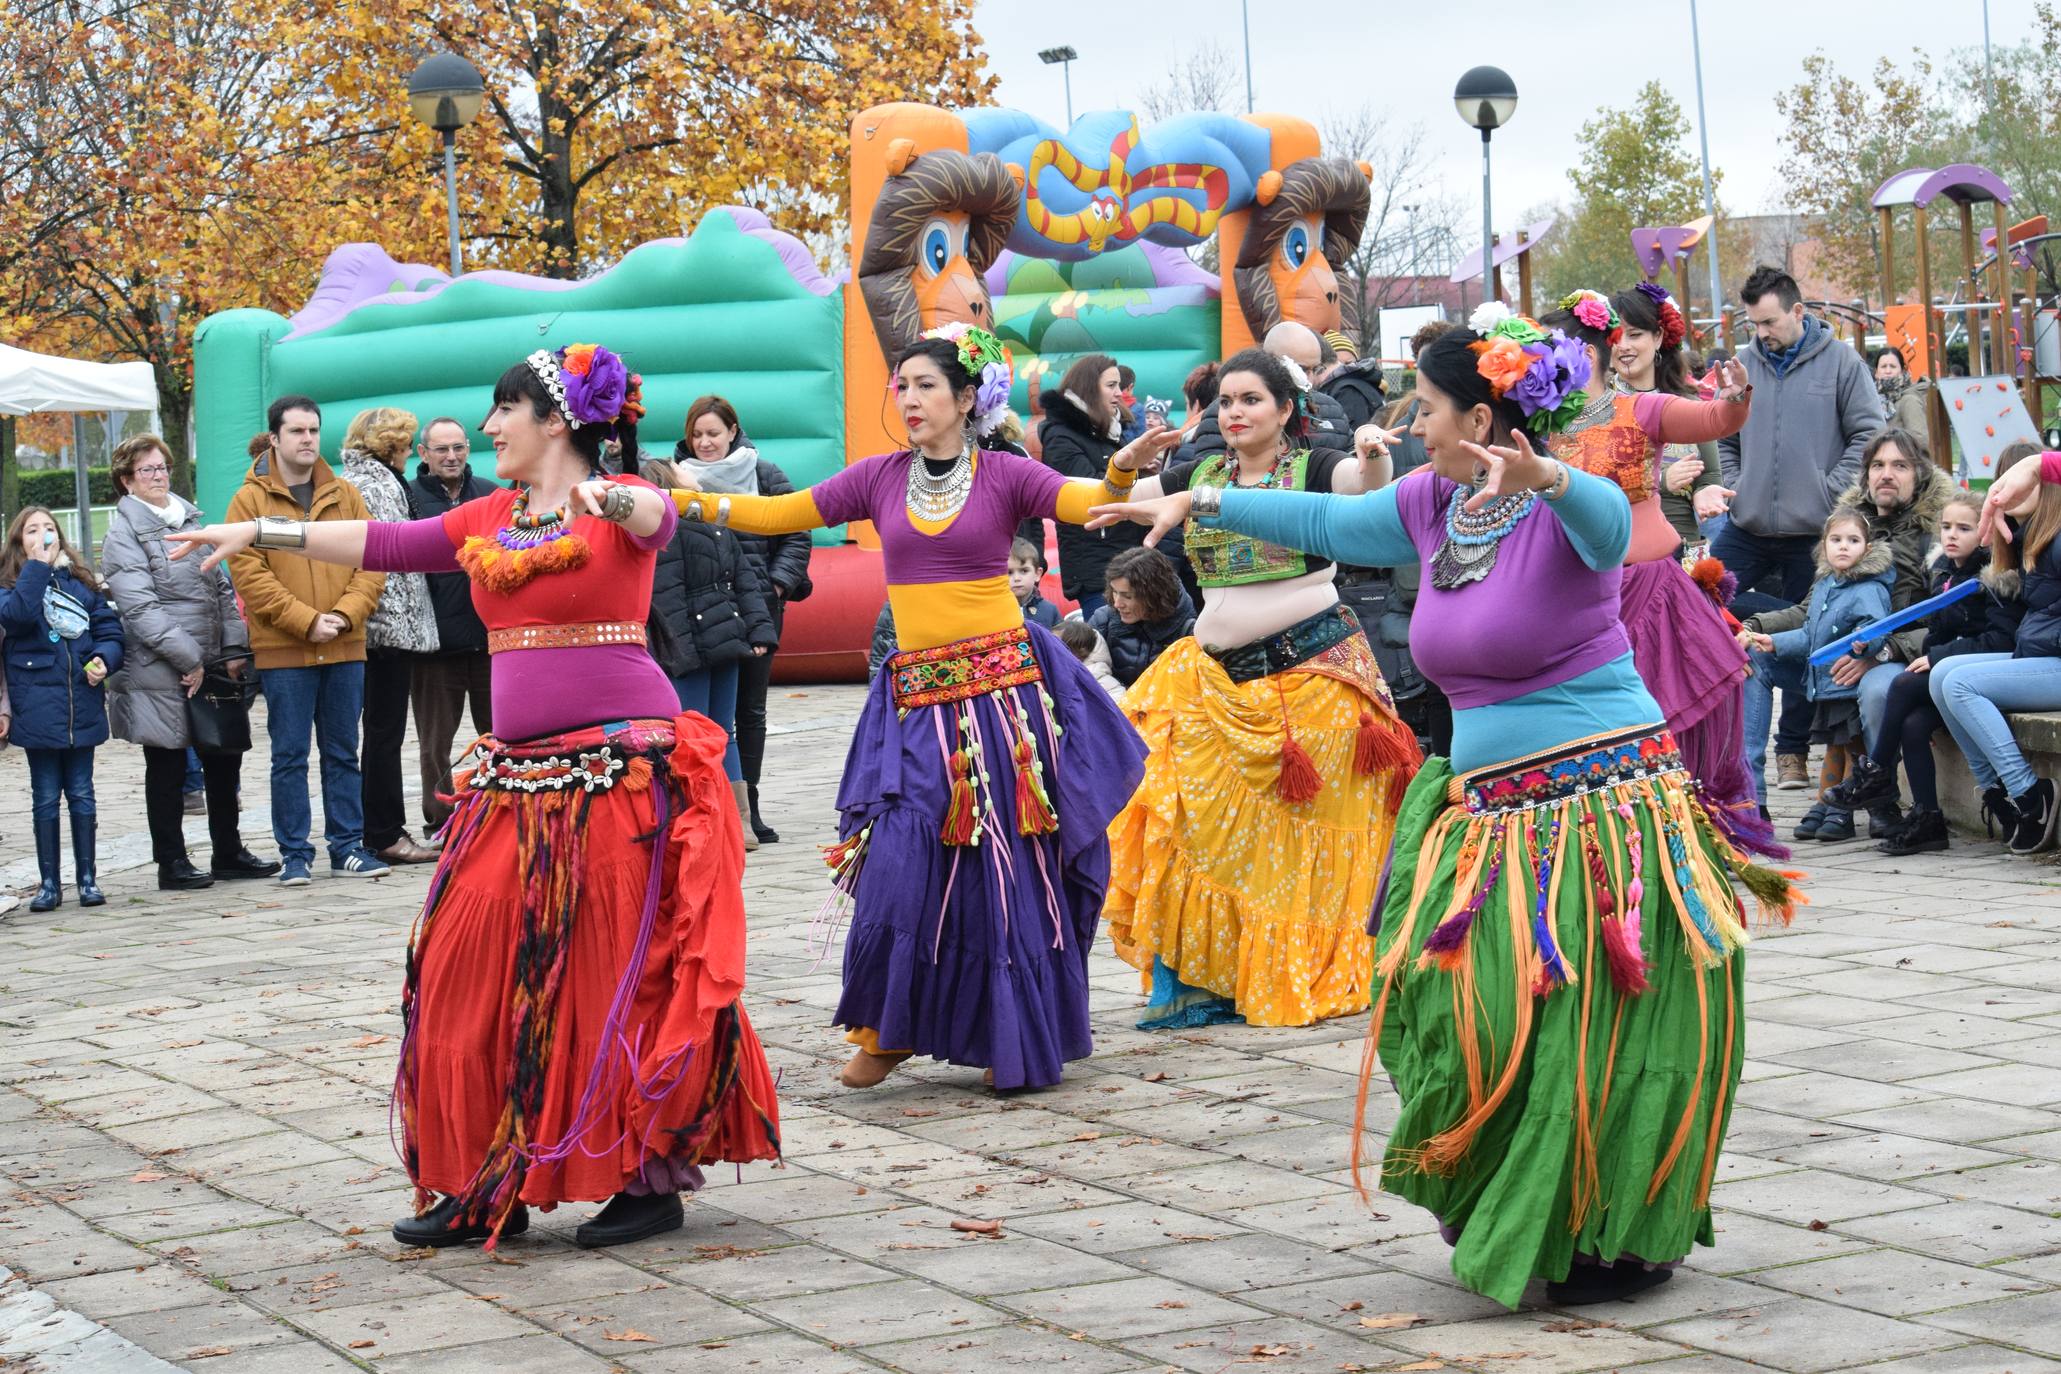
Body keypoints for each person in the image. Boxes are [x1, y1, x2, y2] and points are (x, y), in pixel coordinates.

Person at [1089, 319, 1798, 1309]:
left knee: (1586, 1036)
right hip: (1492, 814)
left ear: (1482, 416)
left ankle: (1608, 1227)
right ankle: (1507, 1186)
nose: (1411, 425)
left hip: (1601, 815)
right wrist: (1200, 494)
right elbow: (1331, 526)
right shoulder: (1433, 500)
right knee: (1463, 1018)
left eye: (1425, 408)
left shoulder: (1567, 505)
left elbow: (1606, 525)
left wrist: (1543, 475)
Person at [169, 342, 782, 1251]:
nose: (490, 427)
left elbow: (655, 513)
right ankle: (480, 1177)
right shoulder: (488, 515)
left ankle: (642, 1176)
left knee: (619, 979)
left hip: (615, 782)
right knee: (465, 975)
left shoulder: (619, 509)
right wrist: (258, 532)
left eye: (504, 411)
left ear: (555, 422)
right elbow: (384, 541)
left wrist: (609, 493)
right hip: (515, 782)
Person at [669, 323, 1154, 1093]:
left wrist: (1121, 472)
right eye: (903, 385)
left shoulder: (1004, 474)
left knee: (1003, 871)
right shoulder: (877, 477)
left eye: (927, 385)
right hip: (918, 700)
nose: (911, 397)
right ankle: (888, 1026)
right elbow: (781, 512)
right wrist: (683, 502)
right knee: (901, 853)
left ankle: (1009, 1027)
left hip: (1003, 706)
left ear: (967, 398)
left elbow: (1084, 499)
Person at [1092, 348, 1419, 1031]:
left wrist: (1371, 450)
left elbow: (1367, 483)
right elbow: (1119, 495)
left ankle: (1296, 966)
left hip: (1315, 678)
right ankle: (1218, 974)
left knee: (1297, 845)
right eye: (1226, 402)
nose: (1234, 413)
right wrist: (1127, 460)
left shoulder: (1316, 466)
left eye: (1250, 400)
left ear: (1286, 410)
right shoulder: (1200, 472)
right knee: (1189, 822)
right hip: (1218, 682)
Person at [1538, 290, 1773, 857]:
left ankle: (1686, 846)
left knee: (1666, 729)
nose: (1539, 363)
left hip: (1648, 594)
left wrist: (1738, 394)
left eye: (1550, 350)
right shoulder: (1540, 425)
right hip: (1571, 601)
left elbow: (1716, 417)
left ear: (1585, 355)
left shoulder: (1639, 409)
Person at [1716, 266, 1885, 794]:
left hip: (1812, 530)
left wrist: (1830, 491)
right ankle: (1717, 741)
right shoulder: (1744, 364)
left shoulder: (1841, 362)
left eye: (1768, 321)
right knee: (1697, 597)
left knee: (1804, 637)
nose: (1760, 332)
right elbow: (1724, 430)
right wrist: (1735, 482)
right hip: (1746, 525)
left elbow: (1869, 433)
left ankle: (1790, 752)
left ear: (1797, 313)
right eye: (1752, 324)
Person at [1741, 429, 1947, 833]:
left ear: (1919, 473)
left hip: (1898, 656)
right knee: (1753, 658)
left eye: (1899, 466)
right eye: (1878, 466)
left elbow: (1945, 619)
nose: (1886, 475)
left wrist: (1878, 653)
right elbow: (1811, 609)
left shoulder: (1937, 535)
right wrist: (1755, 628)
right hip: (1832, 655)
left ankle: (1876, 798)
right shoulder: (1845, 528)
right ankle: (1751, 802)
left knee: (1873, 688)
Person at [226, 395, 391, 885]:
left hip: (344, 644)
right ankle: (295, 854)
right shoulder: (248, 502)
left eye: (314, 431)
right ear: (274, 438)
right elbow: (250, 576)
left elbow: (372, 560)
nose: (307, 440)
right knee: (289, 754)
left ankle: (347, 847)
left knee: (343, 751)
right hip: (285, 651)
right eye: (297, 432)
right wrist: (305, 621)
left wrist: (342, 616)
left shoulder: (345, 495)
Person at [102, 436, 279, 890]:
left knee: (224, 758)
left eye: (163, 467)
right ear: (127, 481)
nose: (159, 476)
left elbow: (220, 587)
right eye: (148, 470)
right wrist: (191, 659)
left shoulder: (188, 518)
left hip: (210, 663)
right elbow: (140, 609)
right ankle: (172, 862)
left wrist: (231, 651)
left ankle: (229, 851)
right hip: (158, 669)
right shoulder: (123, 534)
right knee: (166, 765)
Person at [1826, 492, 2022, 854]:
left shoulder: (1995, 576)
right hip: (1950, 674)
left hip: (1988, 674)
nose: (1951, 535)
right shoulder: (1944, 572)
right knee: (1914, 725)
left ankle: (1876, 773)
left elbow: (2000, 639)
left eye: (1964, 528)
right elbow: (1938, 632)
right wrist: (1933, 653)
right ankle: (1928, 819)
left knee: (1902, 685)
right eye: (1946, 526)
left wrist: (1938, 658)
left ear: (1984, 532)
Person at [672, 395, 813, 846]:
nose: (705, 442)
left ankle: (748, 802)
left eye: (713, 433)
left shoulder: (765, 475)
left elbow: (797, 531)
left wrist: (775, 585)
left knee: (749, 709)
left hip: (756, 609)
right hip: (704, 615)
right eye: (697, 434)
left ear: (733, 430)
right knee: (703, 714)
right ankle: (709, 803)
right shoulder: (676, 478)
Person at [642, 455, 778, 849]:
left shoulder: (678, 529)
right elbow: (744, 584)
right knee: (721, 733)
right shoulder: (711, 526)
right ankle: (739, 823)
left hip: (702, 647)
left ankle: (708, 819)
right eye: (678, 465)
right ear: (671, 479)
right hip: (720, 642)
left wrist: (677, 651)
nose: (688, 466)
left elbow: (667, 597)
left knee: (693, 734)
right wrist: (757, 630)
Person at [1740, 510, 1894, 842]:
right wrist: (1774, 642)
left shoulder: (1868, 587)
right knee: (1835, 744)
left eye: (1853, 541)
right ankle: (1816, 804)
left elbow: (1876, 628)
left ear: (1867, 548)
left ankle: (1847, 810)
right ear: (1823, 546)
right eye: (1836, 540)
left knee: (1852, 747)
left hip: (1847, 680)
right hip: (1825, 679)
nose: (1843, 547)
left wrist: (1862, 647)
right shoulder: (1826, 583)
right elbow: (1810, 633)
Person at [0, 507, 124, 911]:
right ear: (19, 541)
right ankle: (49, 883)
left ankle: (87, 879)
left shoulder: (79, 583)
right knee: (45, 796)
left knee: (83, 793)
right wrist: (36, 568)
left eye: (49, 529)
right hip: (37, 706)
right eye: (32, 530)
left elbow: (108, 628)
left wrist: (104, 658)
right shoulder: (9, 585)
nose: (43, 536)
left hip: (80, 702)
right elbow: (17, 617)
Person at [339, 407, 443, 866]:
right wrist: (396, 625)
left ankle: (380, 827)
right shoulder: (378, 483)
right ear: (392, 444)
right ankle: (384, 831)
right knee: (384, 733)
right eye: (406, 441)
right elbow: (390, 555)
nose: (408, 450)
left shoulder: (364, 478)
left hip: (382, 626)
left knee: (382, 733)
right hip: (387, 629)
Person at [1040, 352, 1184, 618]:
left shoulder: (1108, 432)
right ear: (1089, 387)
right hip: (1097, 567)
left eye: (1119, 385)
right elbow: (1092, 493)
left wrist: (1138, 468)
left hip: (1123, 558)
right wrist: (1130, 469)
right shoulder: (1061, 436)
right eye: (1111, 385)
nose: (1119, 393)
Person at [409, 417, 497, 841]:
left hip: (489, 641)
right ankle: (439, 821)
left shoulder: (492, 495)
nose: (451, 457)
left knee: (501, 736)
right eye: (441, 449)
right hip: (434, 647)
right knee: (434, 743)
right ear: (423, 454)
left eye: (458, 448)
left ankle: (501, 810)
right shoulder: (409, 498)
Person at [1609, 286, 1729, 548]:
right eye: (1615, 337)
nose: (1623, 346)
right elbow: (1588, 485)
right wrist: (1661, 481)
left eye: (1635, 335)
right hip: (1617, 556)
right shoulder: (1596, 409)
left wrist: (1705, 492)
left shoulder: (1688, 407)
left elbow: (1709, 474)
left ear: (1659, 337)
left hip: (1681, 552)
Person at [1173, 322, 1355, 465]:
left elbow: (1355, 473)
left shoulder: (1332, 410)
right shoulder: (1222, 416)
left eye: (1316, 369)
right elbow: (1212, 479)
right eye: (1300, 369)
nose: (1308, 378)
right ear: (1270, 362)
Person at [1088, 546, 1194, 687]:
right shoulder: (1103, 620)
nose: (1117, 603)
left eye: (1127, 596)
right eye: (1114, 592)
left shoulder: (1189, 632)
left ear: (1154, 595)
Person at [1319, 328, 1389, 431]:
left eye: (1348, 364)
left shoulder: (1348, 391)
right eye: (1337, 363)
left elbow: (1354, 437)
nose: (1342, 369)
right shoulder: (1354, 384)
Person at [1054, 617, 1124, 699]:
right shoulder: (1060, 678)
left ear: (1079, 651)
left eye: (1056, 647)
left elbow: (1120, 704)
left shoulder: (1101, 681)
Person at [1873, 346, 1931, 435]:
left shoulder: (1910, 400)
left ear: (1902, 370)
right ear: (1876, 372)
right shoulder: (1871, 400)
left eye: (1893, 366)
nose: (1888, 371)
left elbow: (1919, 439)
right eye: (1883, 366)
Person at [1007, 536, 1061, 628]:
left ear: (1037, 574)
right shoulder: (994, 611)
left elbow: (1060, 641)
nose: (1016, 578)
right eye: (1009, 572)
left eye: (1024, 571)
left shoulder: (1050, 610)